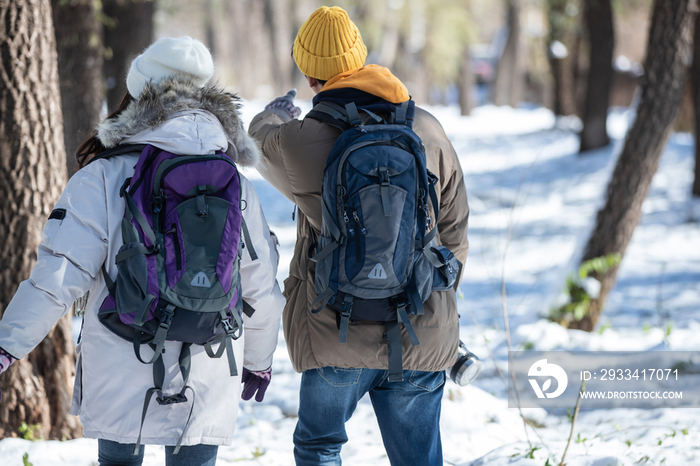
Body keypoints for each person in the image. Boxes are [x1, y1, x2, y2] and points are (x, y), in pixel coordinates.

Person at [0, 36, 285, 466]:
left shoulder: (104, 176)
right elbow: (261, 283)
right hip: (207, 357)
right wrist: (259, 361)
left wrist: (7, 344)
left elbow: (58, 277)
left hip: (124, 352)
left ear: (136, 94)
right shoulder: (233, 181)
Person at [248, 6, 469, 466]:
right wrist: (430, 296)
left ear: (310, 77)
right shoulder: (426, 128)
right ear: (361, 59)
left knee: (319, 446)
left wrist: (275, 115)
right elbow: (455, 229)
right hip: (420, 327)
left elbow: (256, 141)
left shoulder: (299, 141)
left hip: (336, 330)